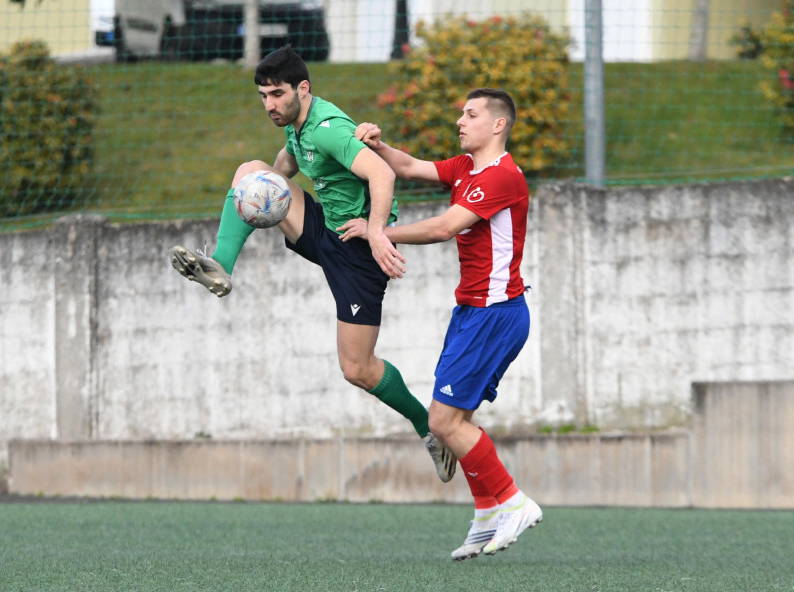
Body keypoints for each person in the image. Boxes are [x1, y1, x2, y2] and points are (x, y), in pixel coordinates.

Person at [169, 45, 456, 483]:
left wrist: (378, 232)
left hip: (360, 253)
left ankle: (429, 429)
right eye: (263, 96)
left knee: (357, 369)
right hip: (327, 230)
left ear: (303, 88)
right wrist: (262, 186)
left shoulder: (326, 128)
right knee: (252, 170)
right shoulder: (297, 126)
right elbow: (283, 167)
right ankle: (222, 266)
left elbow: (383, 174)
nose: (270, 105)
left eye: (278, 94)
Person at [338, 88, 542, 559]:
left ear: (498, 125)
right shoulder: (467, 168)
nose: (460, 120)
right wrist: (376, 147)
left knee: (443, 421)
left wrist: (377, 232)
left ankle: (513, 501)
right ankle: (488, 512)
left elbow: (444, 227)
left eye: (471, 114)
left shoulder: (501, 176)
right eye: (461, 113)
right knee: (457, 421)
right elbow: (409, 168)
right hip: (476, 311)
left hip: (493, 314)